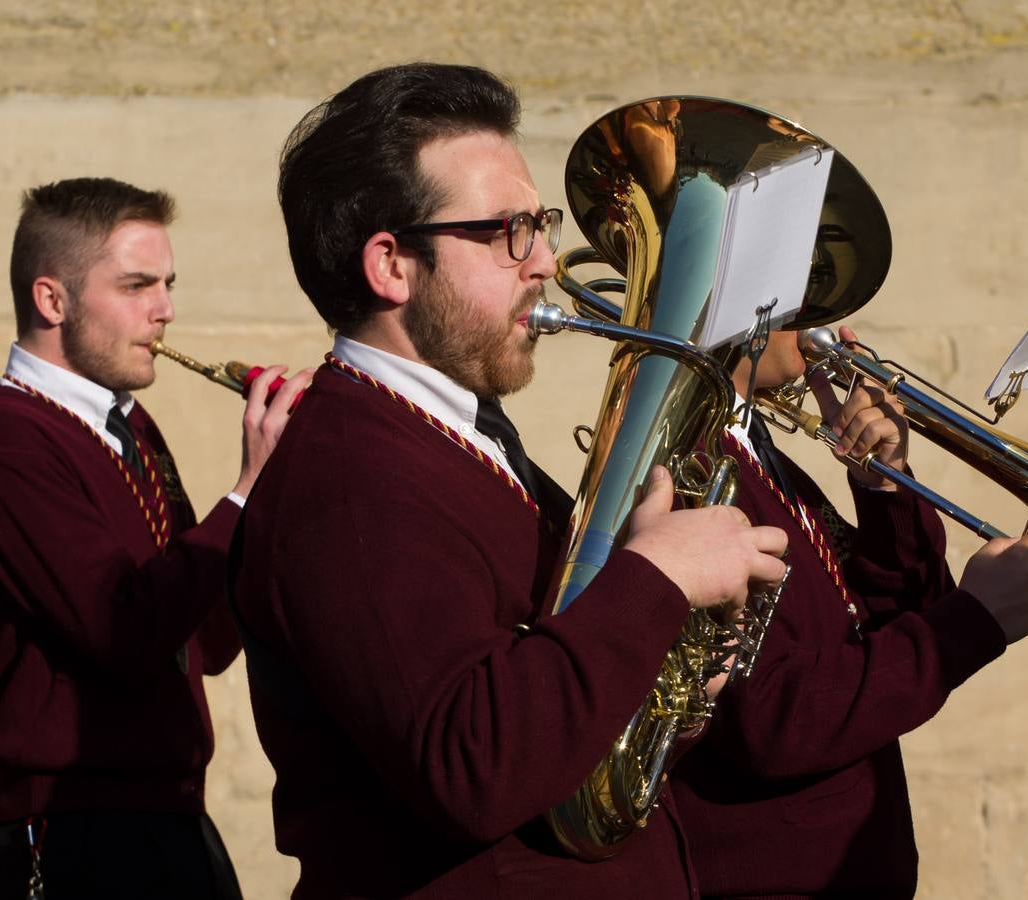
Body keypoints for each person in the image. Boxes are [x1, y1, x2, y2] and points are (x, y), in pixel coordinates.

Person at [231, 62, 790, 898]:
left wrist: (669, 675)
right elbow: (471, 765)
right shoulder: (348, 477)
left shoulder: (463, 434)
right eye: (509, 233)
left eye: (542, 225)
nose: (546, 265)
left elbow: (551, 689)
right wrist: (657, 578)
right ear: (391, 265)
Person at [0, 177, 312, 899]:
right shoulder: (3, 439)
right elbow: (123, 631)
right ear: (53, 300)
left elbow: (204, 641)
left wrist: (276, 501)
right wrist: (244, 490)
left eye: (167, 284)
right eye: (137, 286)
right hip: (75, 830)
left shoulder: (130, 425)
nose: (165, 310)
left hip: (171, 814)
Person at [668, 325, 1028, 898]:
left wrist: (884, 487)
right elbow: (769, 719)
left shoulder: (754, 447)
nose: (834, 325)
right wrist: (969, 623)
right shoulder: (696, 464)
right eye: (806, 296)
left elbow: (881, 622)